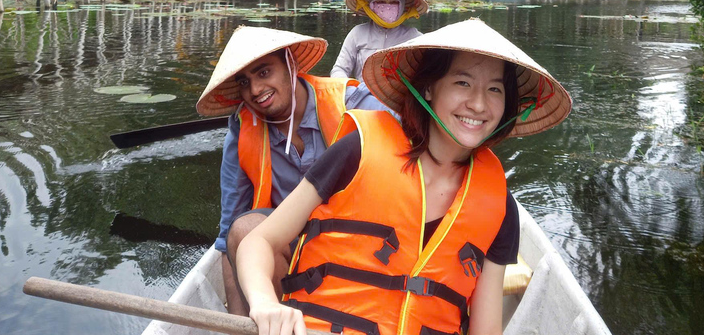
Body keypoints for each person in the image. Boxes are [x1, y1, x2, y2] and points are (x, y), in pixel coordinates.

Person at [236, 18, 573, 335]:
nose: (478, 104)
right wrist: (265, 302)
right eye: (462, 82)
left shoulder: (499, 208)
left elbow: (484, 329)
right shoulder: (356, 152)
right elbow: (258, 241)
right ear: (429, 89)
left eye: (495, 90)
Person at [195, 26, 390, 315]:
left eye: (264, 73)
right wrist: (237, 325)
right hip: (293, 255)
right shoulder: (242, 129)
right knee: (245, 229)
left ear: (291, 64)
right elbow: (228, 238)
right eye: (244, 82)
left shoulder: (352, 103)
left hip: (362, 249)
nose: (255, 91)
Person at [330, 0, 428, 81]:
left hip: (401, 96)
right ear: (371, 6)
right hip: (362, 94)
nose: (387, 7)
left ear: (402, 7)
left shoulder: (415, 38)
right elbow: (339, 69)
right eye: (380, 1)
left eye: (393, 2)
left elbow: (428, 72)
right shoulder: (357, 33)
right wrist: (351, 89)